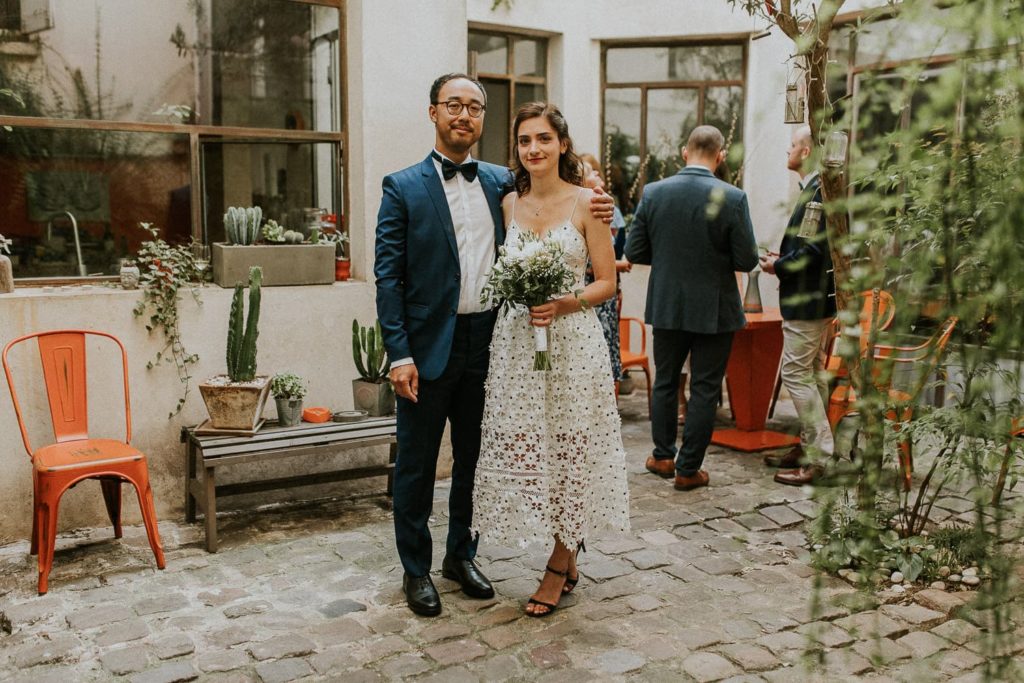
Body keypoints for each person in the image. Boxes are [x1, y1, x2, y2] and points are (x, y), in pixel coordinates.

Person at [375, 75, 613, 617]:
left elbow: (564, 188)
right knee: (415, 463)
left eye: (474, 107)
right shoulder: (402, 186)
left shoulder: (503, 184)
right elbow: (388, 278)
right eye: (453, 105)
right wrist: (401, 354)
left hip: (494, 344)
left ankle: (462, 555)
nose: (464, 115)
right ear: (432, 112)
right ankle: (416, 570)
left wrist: (603, 204)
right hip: (428, 347)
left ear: (483, 119)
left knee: (475, 463)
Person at [472, 103, 630, 618]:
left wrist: (565, 302)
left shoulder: (589, 203)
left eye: (543, 138)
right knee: (527, 447)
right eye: (523, 141)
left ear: (562, 143)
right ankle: (567, 541)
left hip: (571, 340)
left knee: (571, 449)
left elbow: (606, 282)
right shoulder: (507, 204)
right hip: (517, 343)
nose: (533, 149)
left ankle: (560, 563)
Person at [625, 125, 759, 491]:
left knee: (666, 382)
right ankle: (688, 470)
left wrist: (668, 260)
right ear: (719, 156)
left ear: (685, 152)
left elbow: (634, 252)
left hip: (667, 303)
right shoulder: (733, 197)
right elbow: (747, 259)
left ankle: (663, 455)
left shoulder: (654, 192)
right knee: (704, 387)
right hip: (715, 307)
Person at [760, 124, 837, 486]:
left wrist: (779, 264)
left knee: (795, 374)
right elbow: (809, 246)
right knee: (813, 372)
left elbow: (813, 252)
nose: (786, 151)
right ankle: (809, 447)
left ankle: (820, 456)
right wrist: (783, 255)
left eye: (791, 145)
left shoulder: (818, 192)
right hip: (816, 300)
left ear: (806, 152)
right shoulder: (817, 189)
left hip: (807, 300)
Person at [580, 153, 630, 390]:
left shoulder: (607, 209)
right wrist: (619, 265)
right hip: (585, 298)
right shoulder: (585, 211)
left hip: (605, 297)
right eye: (591, 172)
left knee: (608, 359)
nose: (598, 175)